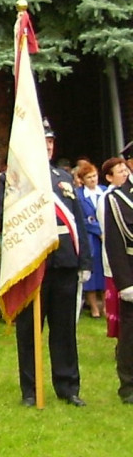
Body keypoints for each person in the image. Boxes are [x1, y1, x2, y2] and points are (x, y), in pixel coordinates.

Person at [4, 120, 90, 407]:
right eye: (43, 142)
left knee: (64, 330)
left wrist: (84, 261)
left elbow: (77, 221)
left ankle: (68, 387)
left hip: (64, 263)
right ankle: (30, 389)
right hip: (32, 263)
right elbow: (9, 222)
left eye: (51, 142)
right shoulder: (14, 179)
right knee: (29, 331)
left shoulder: (62, 178)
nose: (48, 147)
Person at [103, 167, 133, 404]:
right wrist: (125, 283)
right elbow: (114, 244)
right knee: (130, 333)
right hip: (131, 270)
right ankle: (129, 386)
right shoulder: (117, 198)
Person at [74, 160, 106, 317]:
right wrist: (98, 230)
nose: (93, 180)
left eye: (94, 176)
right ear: (82, 180)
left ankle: (106, 305)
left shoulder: (105, 191)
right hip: (90, 239)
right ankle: (94, 307)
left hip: (106, 238)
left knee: (105, 271)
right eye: (89, 177)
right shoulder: (79, 195)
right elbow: (82, 219)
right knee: (92, 274)